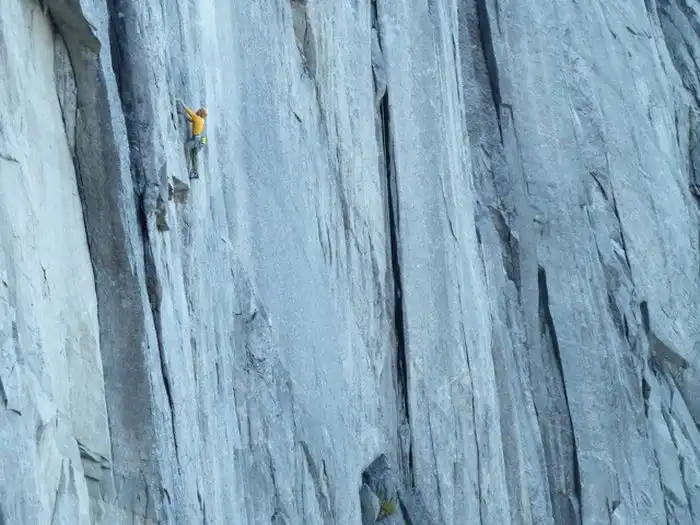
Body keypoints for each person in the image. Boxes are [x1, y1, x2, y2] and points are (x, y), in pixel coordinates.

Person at [178, 100, 208, 177]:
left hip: (196, 140)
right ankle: (195, 172)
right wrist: (185, 116)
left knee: (186, 147)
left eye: (199, 110)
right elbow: (191, 120)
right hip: (200, 141)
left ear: (200, 113)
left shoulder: (197, 118)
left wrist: (182, 103)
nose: (198, 110)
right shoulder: (202, 120)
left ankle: (188, 169)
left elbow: (189, 112)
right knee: (193, 154)